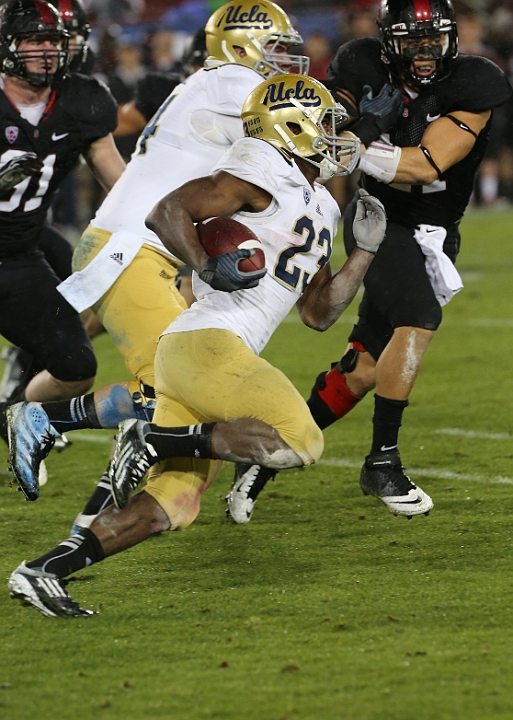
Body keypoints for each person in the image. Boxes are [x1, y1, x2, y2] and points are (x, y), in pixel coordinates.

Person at [7, 73, 385, 617]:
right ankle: (156, 439)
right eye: (324, 123)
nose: (333, 135)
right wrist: (207, 265)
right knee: (299, 439)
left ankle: (43, 571)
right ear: (292, 125)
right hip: (208, 343)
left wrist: (363, 255)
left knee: (171, 506)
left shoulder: (321, 204)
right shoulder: (262, 161)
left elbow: (318, 312)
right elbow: (166, 211)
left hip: (206, 355)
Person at [6, 0, 311, 519]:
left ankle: (101, 498)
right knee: (174, 383)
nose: (285, 63)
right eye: (276, 49)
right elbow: (293, 142)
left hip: (145, 248)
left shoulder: (217, 85)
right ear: (241, 47)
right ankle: (48, 425)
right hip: (131, 247)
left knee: (177, 386)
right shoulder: (233, 84)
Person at [226, 0, 513, 524]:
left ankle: (260, 461)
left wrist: (355, 143)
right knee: (420, 317)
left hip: (437, 231)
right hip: (378, 219)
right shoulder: (359, 63)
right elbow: (319, 129)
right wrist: (343, 128)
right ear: (387, 42)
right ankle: (383, 460)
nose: (425, 52)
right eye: (412, 41)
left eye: (434, 39)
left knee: (361, 373)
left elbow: (427, 165)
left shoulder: (476, 81)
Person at [0, 0, 124, 450]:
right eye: (34, 40)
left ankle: (15, 417)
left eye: (52, 41)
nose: (46, 51)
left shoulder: (81, 99)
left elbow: (121, 185)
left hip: (17, 256)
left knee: (75, 369)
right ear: (8, 45)